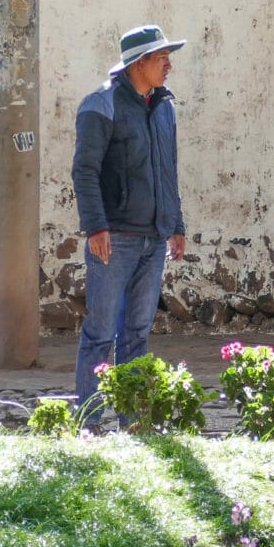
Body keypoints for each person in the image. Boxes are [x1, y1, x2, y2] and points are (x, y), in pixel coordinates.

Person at [71, 23, 189, 421]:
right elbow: (85, 172)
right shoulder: (99, 105)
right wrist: (96, 228)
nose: (168, 65)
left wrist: (176, 225)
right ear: (139, 64)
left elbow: (167, 170)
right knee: (100, 334)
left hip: (153, 239)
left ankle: (135, 423)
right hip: (114, 238)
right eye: (161, 58)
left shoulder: (164, 107)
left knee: (138, 334)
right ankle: (89, 422)